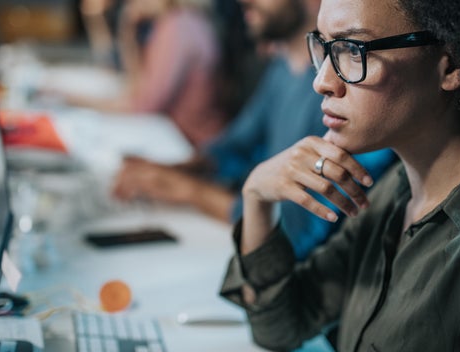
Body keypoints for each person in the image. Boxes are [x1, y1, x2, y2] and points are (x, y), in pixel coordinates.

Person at [219, 0, 460, 352]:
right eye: (324, 47)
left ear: (453, 62)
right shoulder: (398, 188)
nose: (322, 82)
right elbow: (281, 326)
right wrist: (257, 197)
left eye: (352, 50)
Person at [113, 0, 397, 260]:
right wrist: (175, 170)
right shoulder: (283, 66)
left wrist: (187, 190)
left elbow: (295, 224)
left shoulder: (345, 95)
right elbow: (238, 147)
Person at [70, 0, 228, 148]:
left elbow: (142, 106)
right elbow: (136, 85)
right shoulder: (182, 21)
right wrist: (128, 30)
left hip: (193, 146)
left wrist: (73, 100)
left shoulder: (178, 27)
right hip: (179, 138)